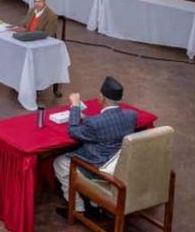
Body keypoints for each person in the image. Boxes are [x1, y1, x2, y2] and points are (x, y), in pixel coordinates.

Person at [53, 76, 137, 215]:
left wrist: (75, 106)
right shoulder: (131, 116)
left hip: (99, 168)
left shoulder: (94, 123)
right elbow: (108, 125)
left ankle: (77, 208)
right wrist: (86, 118)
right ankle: (95, 203)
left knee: (60, 162)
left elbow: (73, 131)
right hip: (118, 165)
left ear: (103, 99)